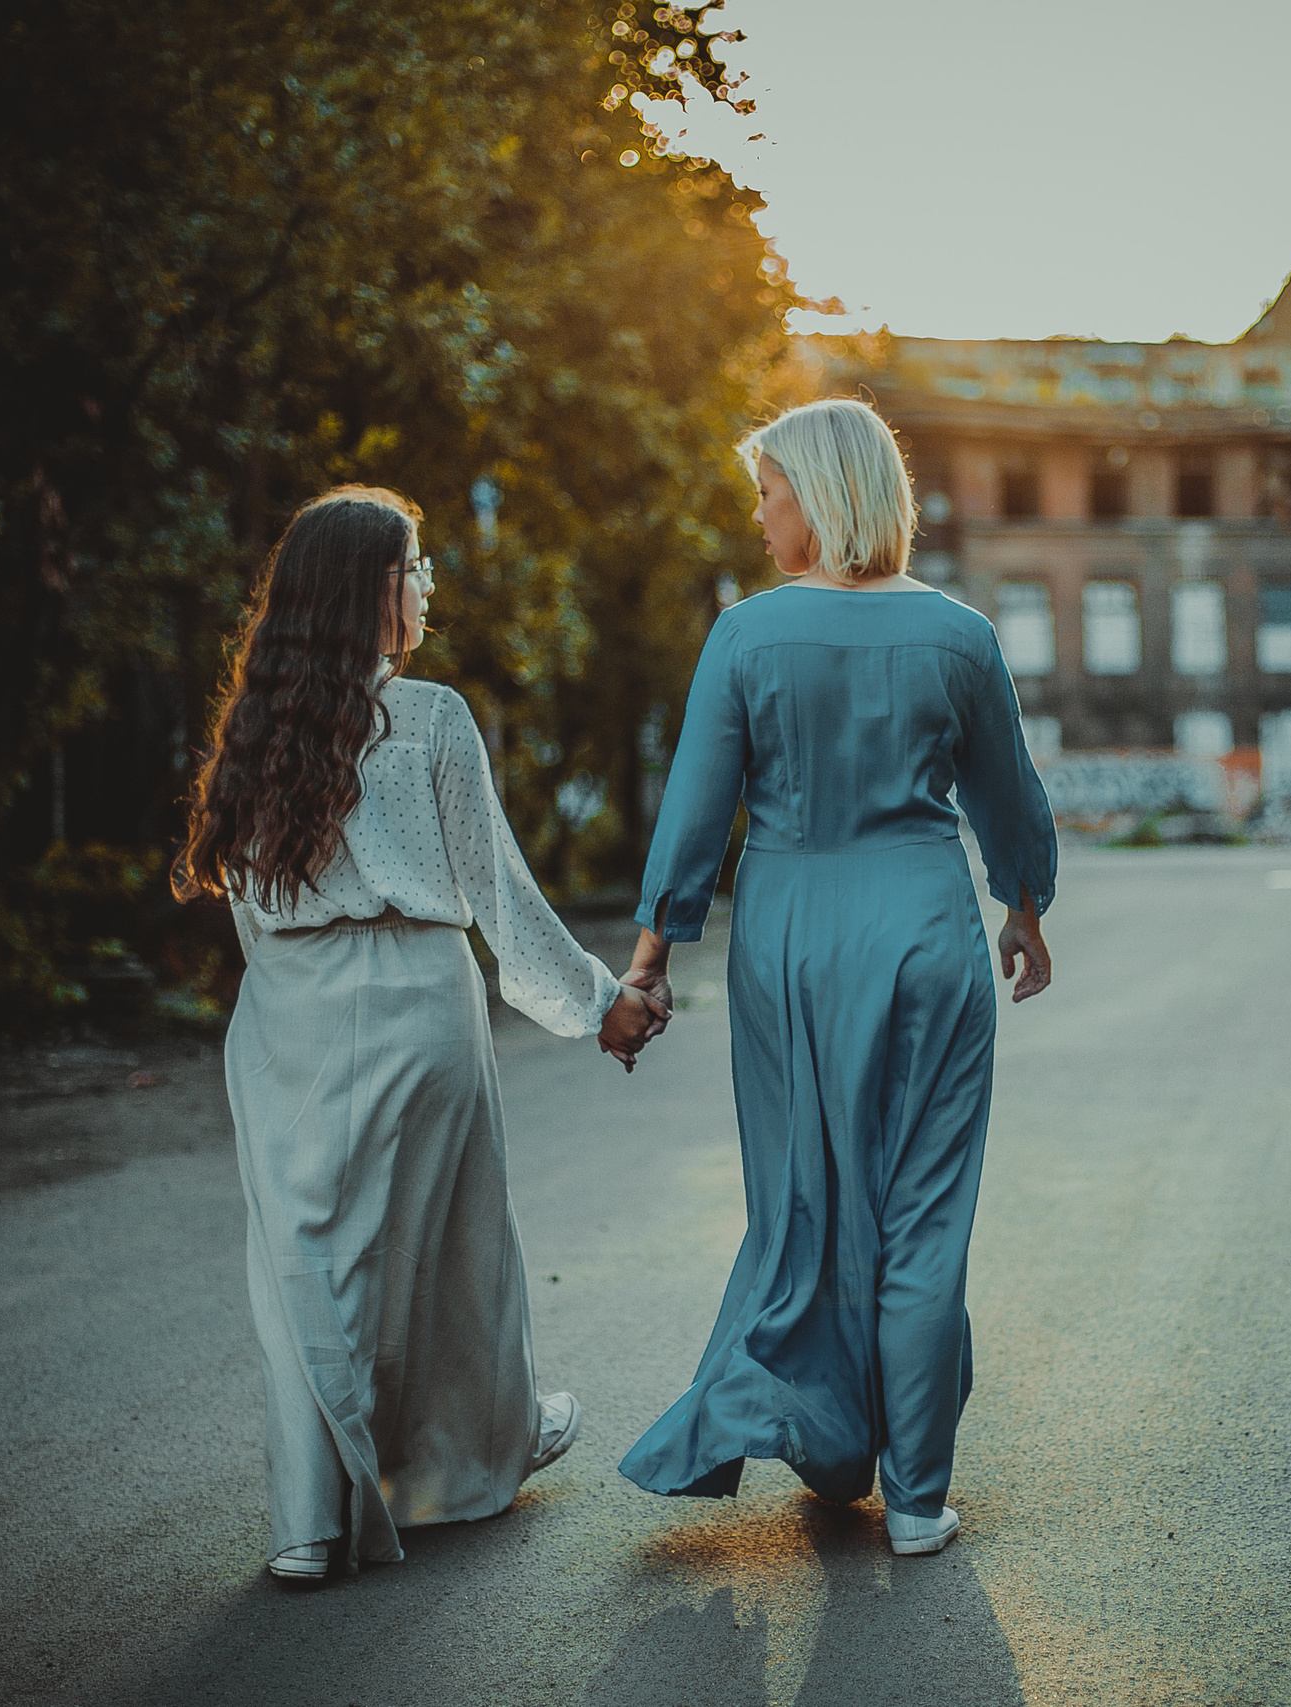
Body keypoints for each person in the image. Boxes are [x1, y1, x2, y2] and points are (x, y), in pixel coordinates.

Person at [173, 485, 669, 1583]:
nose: (429, 584)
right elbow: (501, 900)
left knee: (307, 1263)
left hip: (285, 1017)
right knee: (449, 1254)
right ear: (370, 593)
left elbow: (248, 905)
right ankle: (474, 1450)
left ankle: (307, 1521)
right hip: (418, 1003)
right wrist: (601, 1006)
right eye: (416, 567)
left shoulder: (253, 731)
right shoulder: (432, 719)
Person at [616, 398, 1059, 1556]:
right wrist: (1022, 908)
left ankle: (827, 1446)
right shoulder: (958, 633)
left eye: (768, 493)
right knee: (923, 1217)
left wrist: (651, 960)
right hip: (924, 925)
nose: (760, 518)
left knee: (804, 1200)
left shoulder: (746, 637)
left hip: (791, 938)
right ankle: (914, 1500)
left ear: (815, 496)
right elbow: (1006, 795)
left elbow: (697, 817)